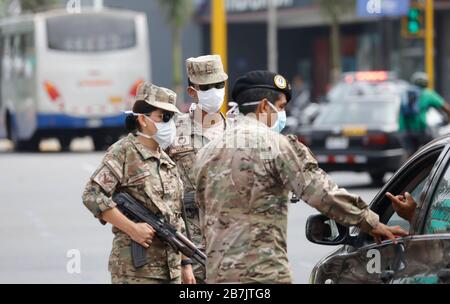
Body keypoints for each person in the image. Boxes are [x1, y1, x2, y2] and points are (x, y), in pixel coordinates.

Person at [194, 70, 408, 284]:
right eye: (280, 107)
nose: (282, 114)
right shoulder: (275, 145)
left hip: (218, 276)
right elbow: (320, 192)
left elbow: (202, 215)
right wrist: (370, 221)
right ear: (263, 106)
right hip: (263, 274)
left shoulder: (206, 152)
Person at [82, 82, 196, 284]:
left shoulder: (167, 159)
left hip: (171, 270)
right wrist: (131, 228)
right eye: (164, 117)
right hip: (136, 271)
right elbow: (92, 195)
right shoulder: (123, 152)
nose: (170, 124)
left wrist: (186, 265)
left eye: (172, 117)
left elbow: (176, 217)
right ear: (143, 119)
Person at [168, 55, 228, 284]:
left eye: (218, 85)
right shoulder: (174, 131)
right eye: (206, 87)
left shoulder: (240, 132)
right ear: (192, 91)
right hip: (191, 248)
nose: (214, 91)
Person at [399, 72, 450, 156]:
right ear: (426, 83)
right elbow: (446, 108)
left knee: (410, 155)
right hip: (420, 128)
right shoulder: (428, 93)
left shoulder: (405, 94)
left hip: (404, 129)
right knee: (434, 150)